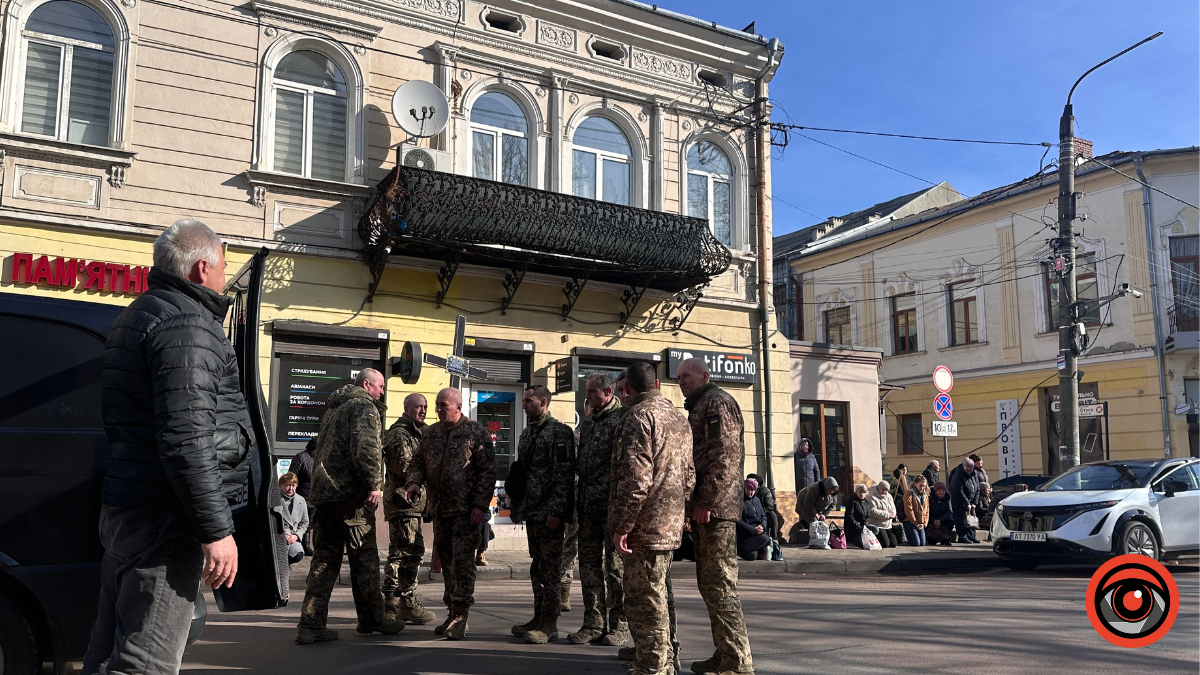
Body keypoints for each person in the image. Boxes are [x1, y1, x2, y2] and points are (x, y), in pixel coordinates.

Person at [85, 220, 247, 675]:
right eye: (223, 268)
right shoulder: (188, 323)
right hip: (164, 519)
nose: (225, 278)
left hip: (131, 506)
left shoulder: (144, 311)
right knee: (146, 664)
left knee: (106, 652)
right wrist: (217, 531)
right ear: (201, 269)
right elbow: (187, 440)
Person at [296, 369, 404, 644]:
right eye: (380, 387)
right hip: (350, 497)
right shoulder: (363, 406)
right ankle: (371, 619)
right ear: (367, 385)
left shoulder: (335, 407)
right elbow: (365, 447)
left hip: (325, 496)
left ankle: (310, 623)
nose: (382, 392)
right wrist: (374, 484)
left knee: (323, 561)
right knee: (365, 560)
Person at [609, 361, 695, 675]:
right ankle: (667, 660)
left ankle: (653, 666)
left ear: (628, 389)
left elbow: (635, 480)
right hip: (669, 523)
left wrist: (623, 526)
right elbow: (689, 475)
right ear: (656, 383)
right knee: (659, 594)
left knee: (644, 599)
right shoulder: (678, 418)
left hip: (644, 526)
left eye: (622, 391)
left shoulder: (637, 417)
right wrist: (681, 513)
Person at [678, 357, 755, 675]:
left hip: (716, 510)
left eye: (687, 376)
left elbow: (726, 458)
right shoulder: (699, 405)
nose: (682, 380)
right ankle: (724, 652)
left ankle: (738, 661)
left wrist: (706, 502)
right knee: (710, 585)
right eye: (679, 376)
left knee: (720, 585)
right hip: (705, 509)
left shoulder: (717, 402)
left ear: (704, 376)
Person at [405, 388, 496, 640]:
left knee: (462, 564)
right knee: (446, 563)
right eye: (437, 405)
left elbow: (488, 472)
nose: (438, 409)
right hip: (440, 510)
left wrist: (480, 505)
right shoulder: (431, 433)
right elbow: (417, 463)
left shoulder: (476, 432)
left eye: (443, 405)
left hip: (466, 513)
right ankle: (451, 611)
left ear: (458, 406)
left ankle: (461, 615)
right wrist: (414, 482)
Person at [510, 385, 576, 645]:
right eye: (524, 401)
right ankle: (538, 617)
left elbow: (563, 474)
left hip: (549, 512)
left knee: (550, 569)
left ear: (544, 402)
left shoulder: (559, 432)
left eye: (529, 401)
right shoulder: (527, 432)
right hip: (532, 509)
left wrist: (556, 510)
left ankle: (550, 623)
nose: (524, 405)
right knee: (537, 566)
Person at [567, 373, 627, 647]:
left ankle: (619, 625)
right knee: (589, 568)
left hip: (612, 510)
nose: (587, 397)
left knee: (615, 570)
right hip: (587, 509)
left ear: (607, 392)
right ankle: (593, 623)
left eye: (591, 392)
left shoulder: (623, 420)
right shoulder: (588, 423)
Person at [380, 393, 437, 624]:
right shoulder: (400, 434)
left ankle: (393, 602)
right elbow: (405, 470)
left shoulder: (419, 432)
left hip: (413, 504)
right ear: (407, 409)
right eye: (418, 407)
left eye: (425, 407)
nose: (423, 411)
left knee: (401, 553)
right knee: (410, 552)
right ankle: (406, 602)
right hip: (404, 503)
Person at [736, 478, 771, 561]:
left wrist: (762, 525)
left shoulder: (757, 500)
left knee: (753, 555)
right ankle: (740, 548)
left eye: (753, 490)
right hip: (745, 534)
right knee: (765, 539)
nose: (750, 492)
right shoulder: (740, 502)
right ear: (744, 488)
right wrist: (752, 529)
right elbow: (738, 521)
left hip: (757, 532)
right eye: (748, 489)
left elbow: (763, 516)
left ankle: (749, 549)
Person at [292, 440, 317, 555]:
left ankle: (315, 545)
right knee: (305, 521)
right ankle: (304, 545)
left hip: (318, 495)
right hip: (303, 495)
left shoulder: (321, 457)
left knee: (315, 521)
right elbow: (292, 475)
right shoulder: (301, 457)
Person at [948, 457, 980, 544]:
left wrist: (974, 503)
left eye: (971, 467)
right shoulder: (958, 475)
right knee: (961, 520)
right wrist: (966, 503)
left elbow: (977, 489)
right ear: (963, 466)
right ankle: (963, 537)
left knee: (971, 520)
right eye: (967, 466)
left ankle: (972, 536)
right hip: (959, 502)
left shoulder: (974, 475)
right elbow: (958, 491)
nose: (969, 468)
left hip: (970, 502)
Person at [279, 473, 309, 564]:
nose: (291, 488)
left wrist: (296, 536)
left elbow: (305, 522)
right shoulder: (274, 500)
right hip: (278, 537)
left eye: (293, 485)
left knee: (298, 554)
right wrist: (281, 536)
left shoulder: (301, 500)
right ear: (280, 485)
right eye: (288, 485)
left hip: (293, 537)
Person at [745, 473, 781, 544]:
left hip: (762, 513)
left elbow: (769, 506)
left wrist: (759, 514)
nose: (750, 492)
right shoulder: (743, 496)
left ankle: (774, 539)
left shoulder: (764, 492)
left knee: (772, 515)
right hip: (748, 516)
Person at [866, 481, 898, 548]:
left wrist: (893, 513)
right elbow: (872, 511)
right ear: (878, 488)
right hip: (877, 524)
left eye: (886, 490)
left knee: (893, 544)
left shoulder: (889, 496)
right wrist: (888, 515)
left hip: (888, 524)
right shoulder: (871, 497)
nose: (885, 492)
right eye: (883, 489)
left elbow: (893, 507)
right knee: (885, 544)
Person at [902, 476, 930, 547]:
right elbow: (908, 510)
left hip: (920, 522)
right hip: (910, 521)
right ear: (915, 484)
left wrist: (924, 523)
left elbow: (927, 510)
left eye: (924, 486)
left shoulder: (925, 495)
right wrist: (915, 523)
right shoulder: (909, 494)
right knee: (916, 543)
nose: (922, 488)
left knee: (923, 543)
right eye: (920, 485)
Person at [843, 484, 871, 549]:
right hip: (853, 528)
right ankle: (851, 540)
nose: (862, 494)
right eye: (860, 492)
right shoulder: (851, 501)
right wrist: (859, 528)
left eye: (864, 492)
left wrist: (864, 525)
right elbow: (850, 517)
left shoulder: (866, 502)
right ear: (856, 492)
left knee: (875, 530)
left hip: (863, 527)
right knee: (864, 545)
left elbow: (868, 516)